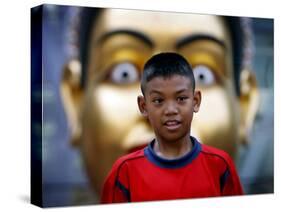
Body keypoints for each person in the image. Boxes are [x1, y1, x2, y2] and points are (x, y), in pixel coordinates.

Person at [61, 7, 259, 197]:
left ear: (243, 105)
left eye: (201, 74)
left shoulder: (222, 167)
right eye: (124, 73)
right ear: (76, 99)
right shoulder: (121, 174)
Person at [100, 52, 243, 203]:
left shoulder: (220, 165)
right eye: (158, 100)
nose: (170, 110)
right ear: (143, 106)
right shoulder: (125, 172)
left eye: (181, 99)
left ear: (195, 101)